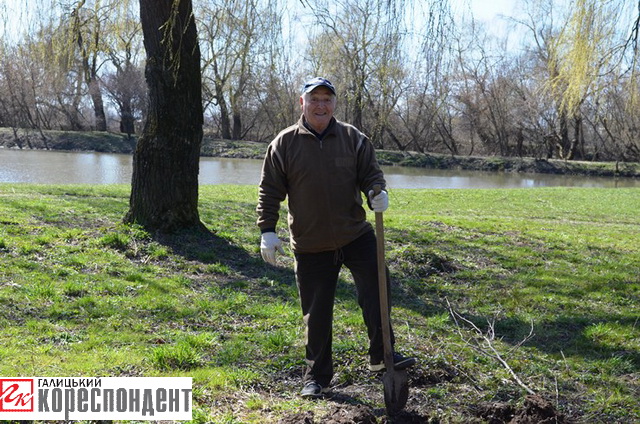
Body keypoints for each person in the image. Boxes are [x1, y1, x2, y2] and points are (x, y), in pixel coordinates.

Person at [256, 77, 416, 398]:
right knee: (316, 312)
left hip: (355, 235)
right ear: (302, 103)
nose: (321, 105)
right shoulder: (284, 144)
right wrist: (267, 230)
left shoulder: (353, 138)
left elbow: (371, 174)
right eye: (314, 99)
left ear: (334, 104)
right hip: (310, 242)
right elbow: (269, 190)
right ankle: (316, 376)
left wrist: (376, 192)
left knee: (377, 290)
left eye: (327, 99)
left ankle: (381, 355)